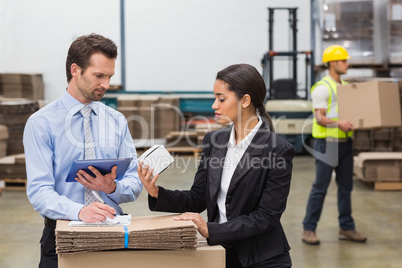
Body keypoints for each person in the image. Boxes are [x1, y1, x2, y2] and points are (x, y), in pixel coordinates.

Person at [139, 64, 295, 268]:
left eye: (221, 99)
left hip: (261, 258)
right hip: (221, 253)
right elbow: (198, 197)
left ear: (245, 100)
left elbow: (266, 217)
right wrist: (157, 192)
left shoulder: (277, 149)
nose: (214, 105)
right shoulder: (215, 141)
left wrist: (211, 230)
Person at [23, 33, 142, 268]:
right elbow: (39, 190)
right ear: (75, 70)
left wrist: (114, 187)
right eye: (99, 76)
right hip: (61, 236)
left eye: (109, 76)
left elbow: (134, 179)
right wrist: (80, 212)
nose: (106, 85)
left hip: (113, 235)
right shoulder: (42, 123)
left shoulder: (116, 121)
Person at [302, 45, 367, 245]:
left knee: (346, 187)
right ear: (333, 63)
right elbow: (320, 118)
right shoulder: (323, 87)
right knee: (320, 187)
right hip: (327, 145)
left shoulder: (345, 86)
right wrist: (339, 123)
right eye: (344, 61)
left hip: (345, 143)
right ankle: (308, 229)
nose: (347, 64)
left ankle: (346, 227)